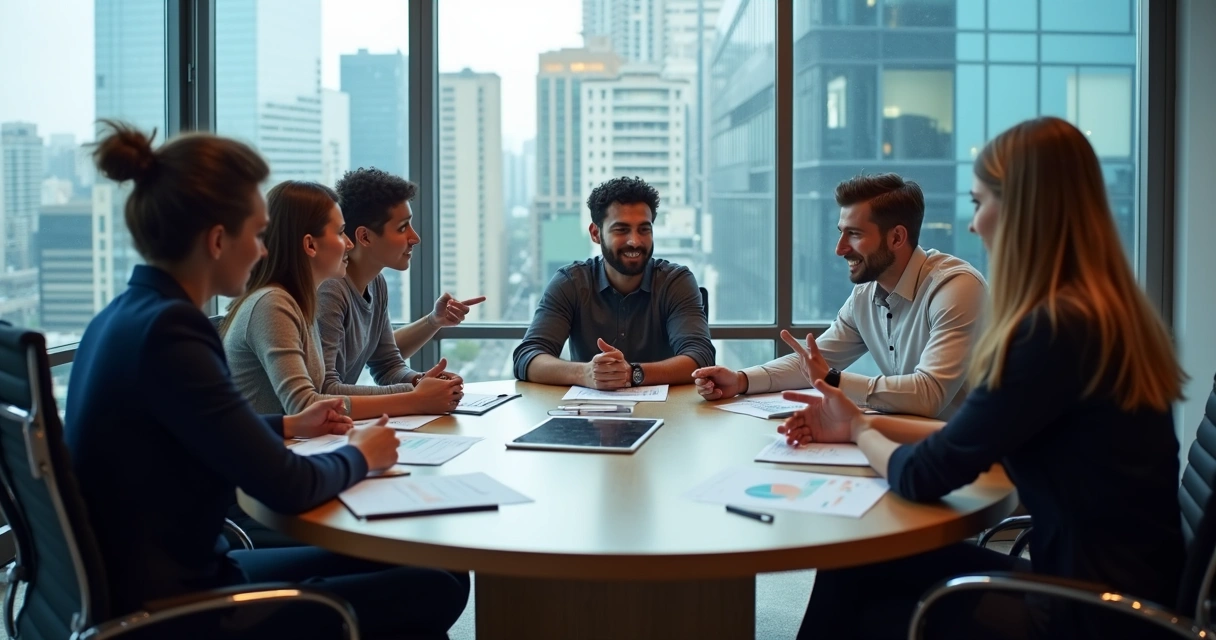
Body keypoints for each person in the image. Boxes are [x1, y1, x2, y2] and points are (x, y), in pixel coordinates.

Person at [778, 117, 1185, 639]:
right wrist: (856, 422)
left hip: (1091, 614)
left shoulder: (1051, 334)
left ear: (1020, 210)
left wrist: (859, 431)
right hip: (1122, 587)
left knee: (867, 594)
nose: (973, 225)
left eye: (977, 203)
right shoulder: (1099, 315)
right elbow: (971, 436)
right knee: (856, 564)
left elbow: (922, 476)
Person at [65, 122, 470, 638]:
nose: (262, 250)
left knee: (437, 571)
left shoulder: (126, 316)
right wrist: (363, 454)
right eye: (256, 234)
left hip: (163, 581)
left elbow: (198, 431)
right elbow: (286, 484)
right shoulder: (174, 334)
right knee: (432, 585)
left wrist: (286, 424)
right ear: (217, 240)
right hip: (188, 608)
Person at [693, 173, 985, 419]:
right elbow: (812, 363)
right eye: (841, 233)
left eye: (854, 234)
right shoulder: (865, 295)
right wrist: (741, 380)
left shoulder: (955, 288)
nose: (840, 248)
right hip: (911, 445)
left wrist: (832, 379)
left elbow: (929, 394)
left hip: (979, 463)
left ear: (896, 237)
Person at [221, 180, 464, 420]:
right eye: (340, 233)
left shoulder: (298, 300)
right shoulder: (274, 303)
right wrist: (415, 397)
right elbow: (306, 404)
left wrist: (421, 387)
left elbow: (383, 364)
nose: (348, 243)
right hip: (262, 453)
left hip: (295, 445)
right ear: (310, 245)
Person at [513, 176, 715, 389]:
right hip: (589, 415)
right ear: (595, 233)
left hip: (670, 414)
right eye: (621, 229)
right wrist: (585, 373)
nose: (635, 241)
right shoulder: (570, 282)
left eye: (644, 229)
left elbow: (701, 357)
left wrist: (632, 373)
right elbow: (527, 357)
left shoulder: (676, 282)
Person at [317, 167, 484, 399]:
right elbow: (324, 390)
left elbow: (387, 366)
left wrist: (420, 381)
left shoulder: (376, 283)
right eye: (402, 228)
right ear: (364, 237)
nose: (415, 238)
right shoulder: (330, 289)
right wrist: (414, 394)